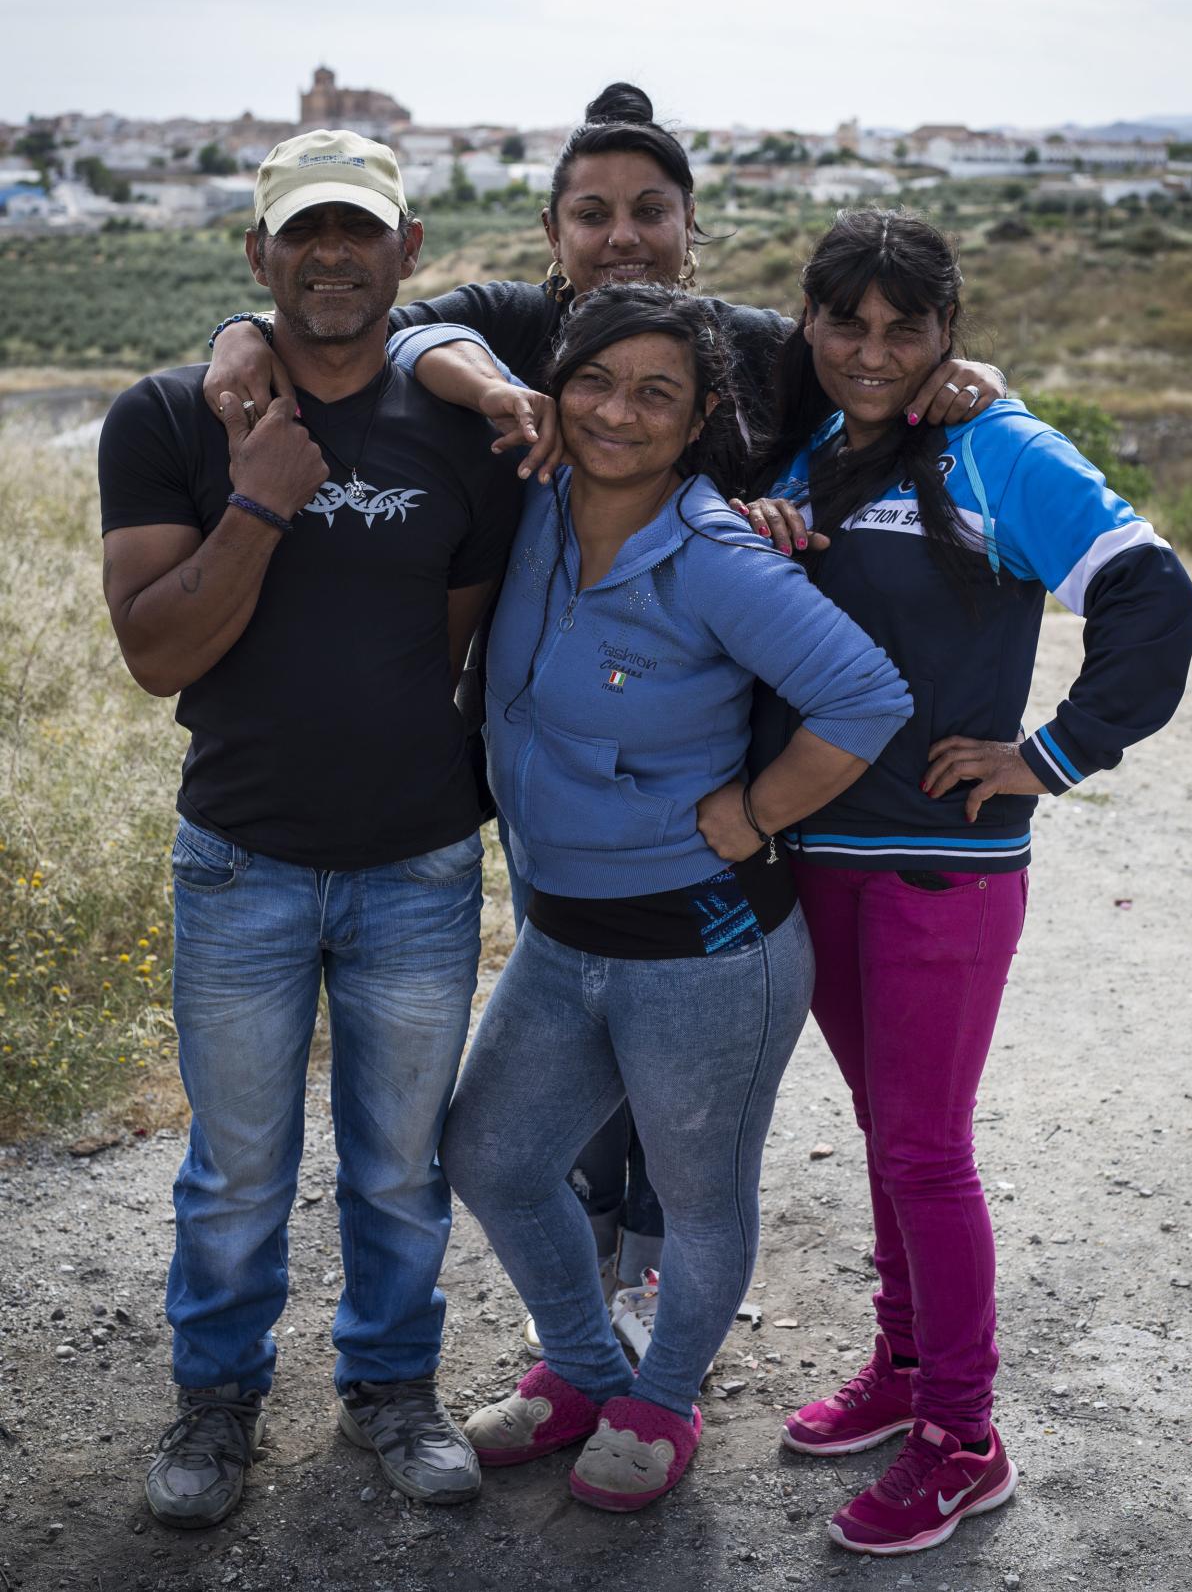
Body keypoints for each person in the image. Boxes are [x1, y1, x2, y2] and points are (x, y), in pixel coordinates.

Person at [205, 83, 1005, 1357]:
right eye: (592, 212)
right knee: (566, 1055)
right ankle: (588, 1295)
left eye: (648, 210)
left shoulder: (757, 350)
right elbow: (387, 332)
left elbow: (879, 363)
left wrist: (962, 377)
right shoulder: (517, 331)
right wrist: (252, 328)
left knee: (678, 1073)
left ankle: (655, 1313)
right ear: (552, 230)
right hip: (554, 788)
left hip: (715, 788)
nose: (620, 235)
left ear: (692, 227)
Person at [737, 209, 1192, 1556]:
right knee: (888, 1132)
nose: (872, 353)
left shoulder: (996, 446)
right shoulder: (804, 440)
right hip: (820, 855)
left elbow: (1151, 596)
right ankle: (902, 1366)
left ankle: (963, 1437)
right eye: (847, 324)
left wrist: (1050, 754)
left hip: (946, 864)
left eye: (906, 329)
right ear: (811, 322)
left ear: (951, 332)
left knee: (927, 1150)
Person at [97, 128, 522, 1527]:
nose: (331, 255)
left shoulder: (457, 424)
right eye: (303, 232)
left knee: (402, 1165)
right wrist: (262, 503)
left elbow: (446, 645)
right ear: (257, 253)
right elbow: (159, 652)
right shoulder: (167, 417)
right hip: (240, 861)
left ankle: (393, 1387)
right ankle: (216, 1403)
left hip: (415, 862)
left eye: (360, 231)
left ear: (407, 251)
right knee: (235, 1170)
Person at [439, 283, 913, 1511]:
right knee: (490, 1153)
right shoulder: (534, 502)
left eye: (657, 392)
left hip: (704, 947)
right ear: (557, 383)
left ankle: (664, 1395)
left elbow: (864, 697)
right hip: (561, 931)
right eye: (593, 380)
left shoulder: (714, 555)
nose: (616, 412)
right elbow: (405, 338)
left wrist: (754, 812)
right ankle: (587, 1369)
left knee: (701, 1197)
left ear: (701, 413)